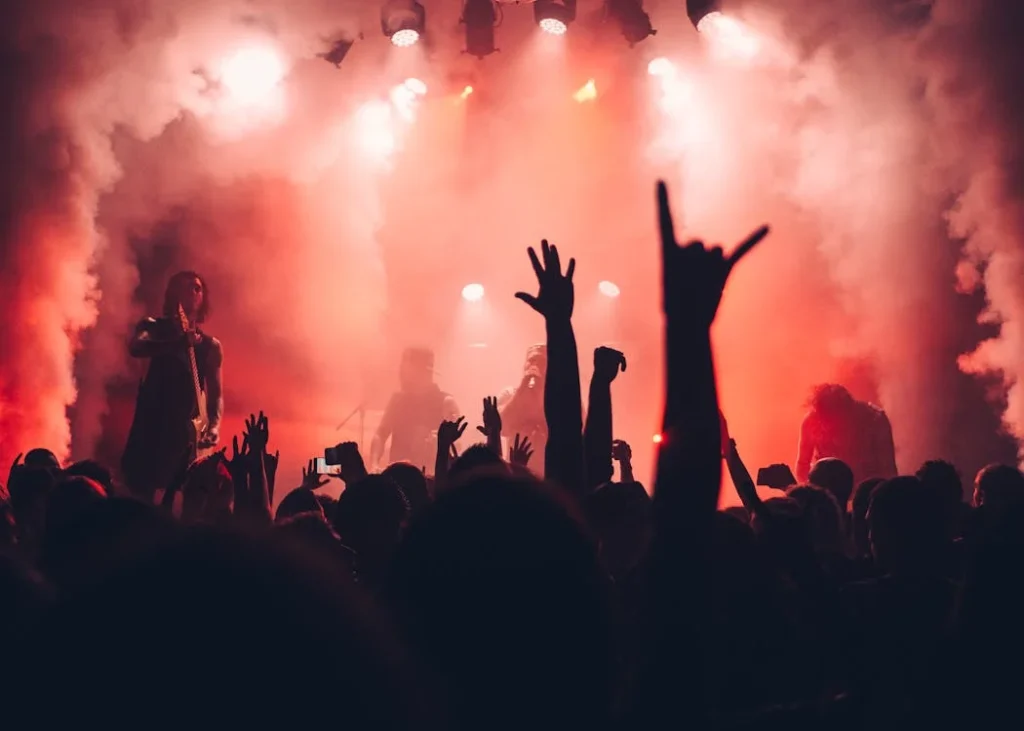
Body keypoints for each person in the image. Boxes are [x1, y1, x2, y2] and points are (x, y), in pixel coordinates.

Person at [121, 271, 223, 500]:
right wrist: (177, 342)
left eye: (197, 287)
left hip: (183, 433)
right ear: (172, 293)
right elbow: (136, 347)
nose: (192, 292)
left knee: (182, 495)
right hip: (149, 427)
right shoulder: (151, 327)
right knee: (139, 494)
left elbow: (215, 393)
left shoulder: (210, 346)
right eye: (185, 286)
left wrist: (214, 426)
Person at [370, 347, 459, 470]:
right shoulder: (398, 400)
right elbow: (380, 434)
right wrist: (374, 464)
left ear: (422, 372)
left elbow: (456, 446)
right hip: (397, 478)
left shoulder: (445, 402)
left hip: (430, 479)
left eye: (406, 369)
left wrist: (435, 441)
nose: (401, 373)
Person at [796, 383, 897, 485]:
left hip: (866, 490)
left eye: (833, 421)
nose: (827, 427)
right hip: (828, 491)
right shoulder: (812, 421)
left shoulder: (875, 419)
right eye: (824, 420)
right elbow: (803, 465)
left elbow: (888, 468)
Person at [497, 344, 548, 471]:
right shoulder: (509, 393)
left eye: (541, 361)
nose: (534, 365)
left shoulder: (562, 397)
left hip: (550, 472)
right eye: (531, 360)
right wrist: (522, 388)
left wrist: (542, 388)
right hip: (517, 472)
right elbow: (499, 427)